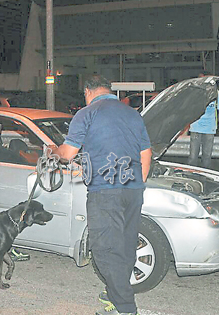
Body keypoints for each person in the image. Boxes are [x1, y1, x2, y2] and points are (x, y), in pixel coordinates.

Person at [51, 75, 152, 315]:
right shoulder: (132, 114)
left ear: (88, 91)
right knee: (126, 245)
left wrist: (53, 151)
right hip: (133, 189)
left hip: (105, 191)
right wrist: (139, 183)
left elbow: (68, 153)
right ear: (109, 89)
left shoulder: (87, 113)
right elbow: (146, 152)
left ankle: (124, 308)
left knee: (106, 249)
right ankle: (116, 289)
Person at [188, 71, 219, 168]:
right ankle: (192, 177)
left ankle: (205, 179)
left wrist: (213, 123)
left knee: (207, 157)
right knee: (193, 157)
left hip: (209, 129)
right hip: (195, 128)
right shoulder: (194, 94)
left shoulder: (216, 94)